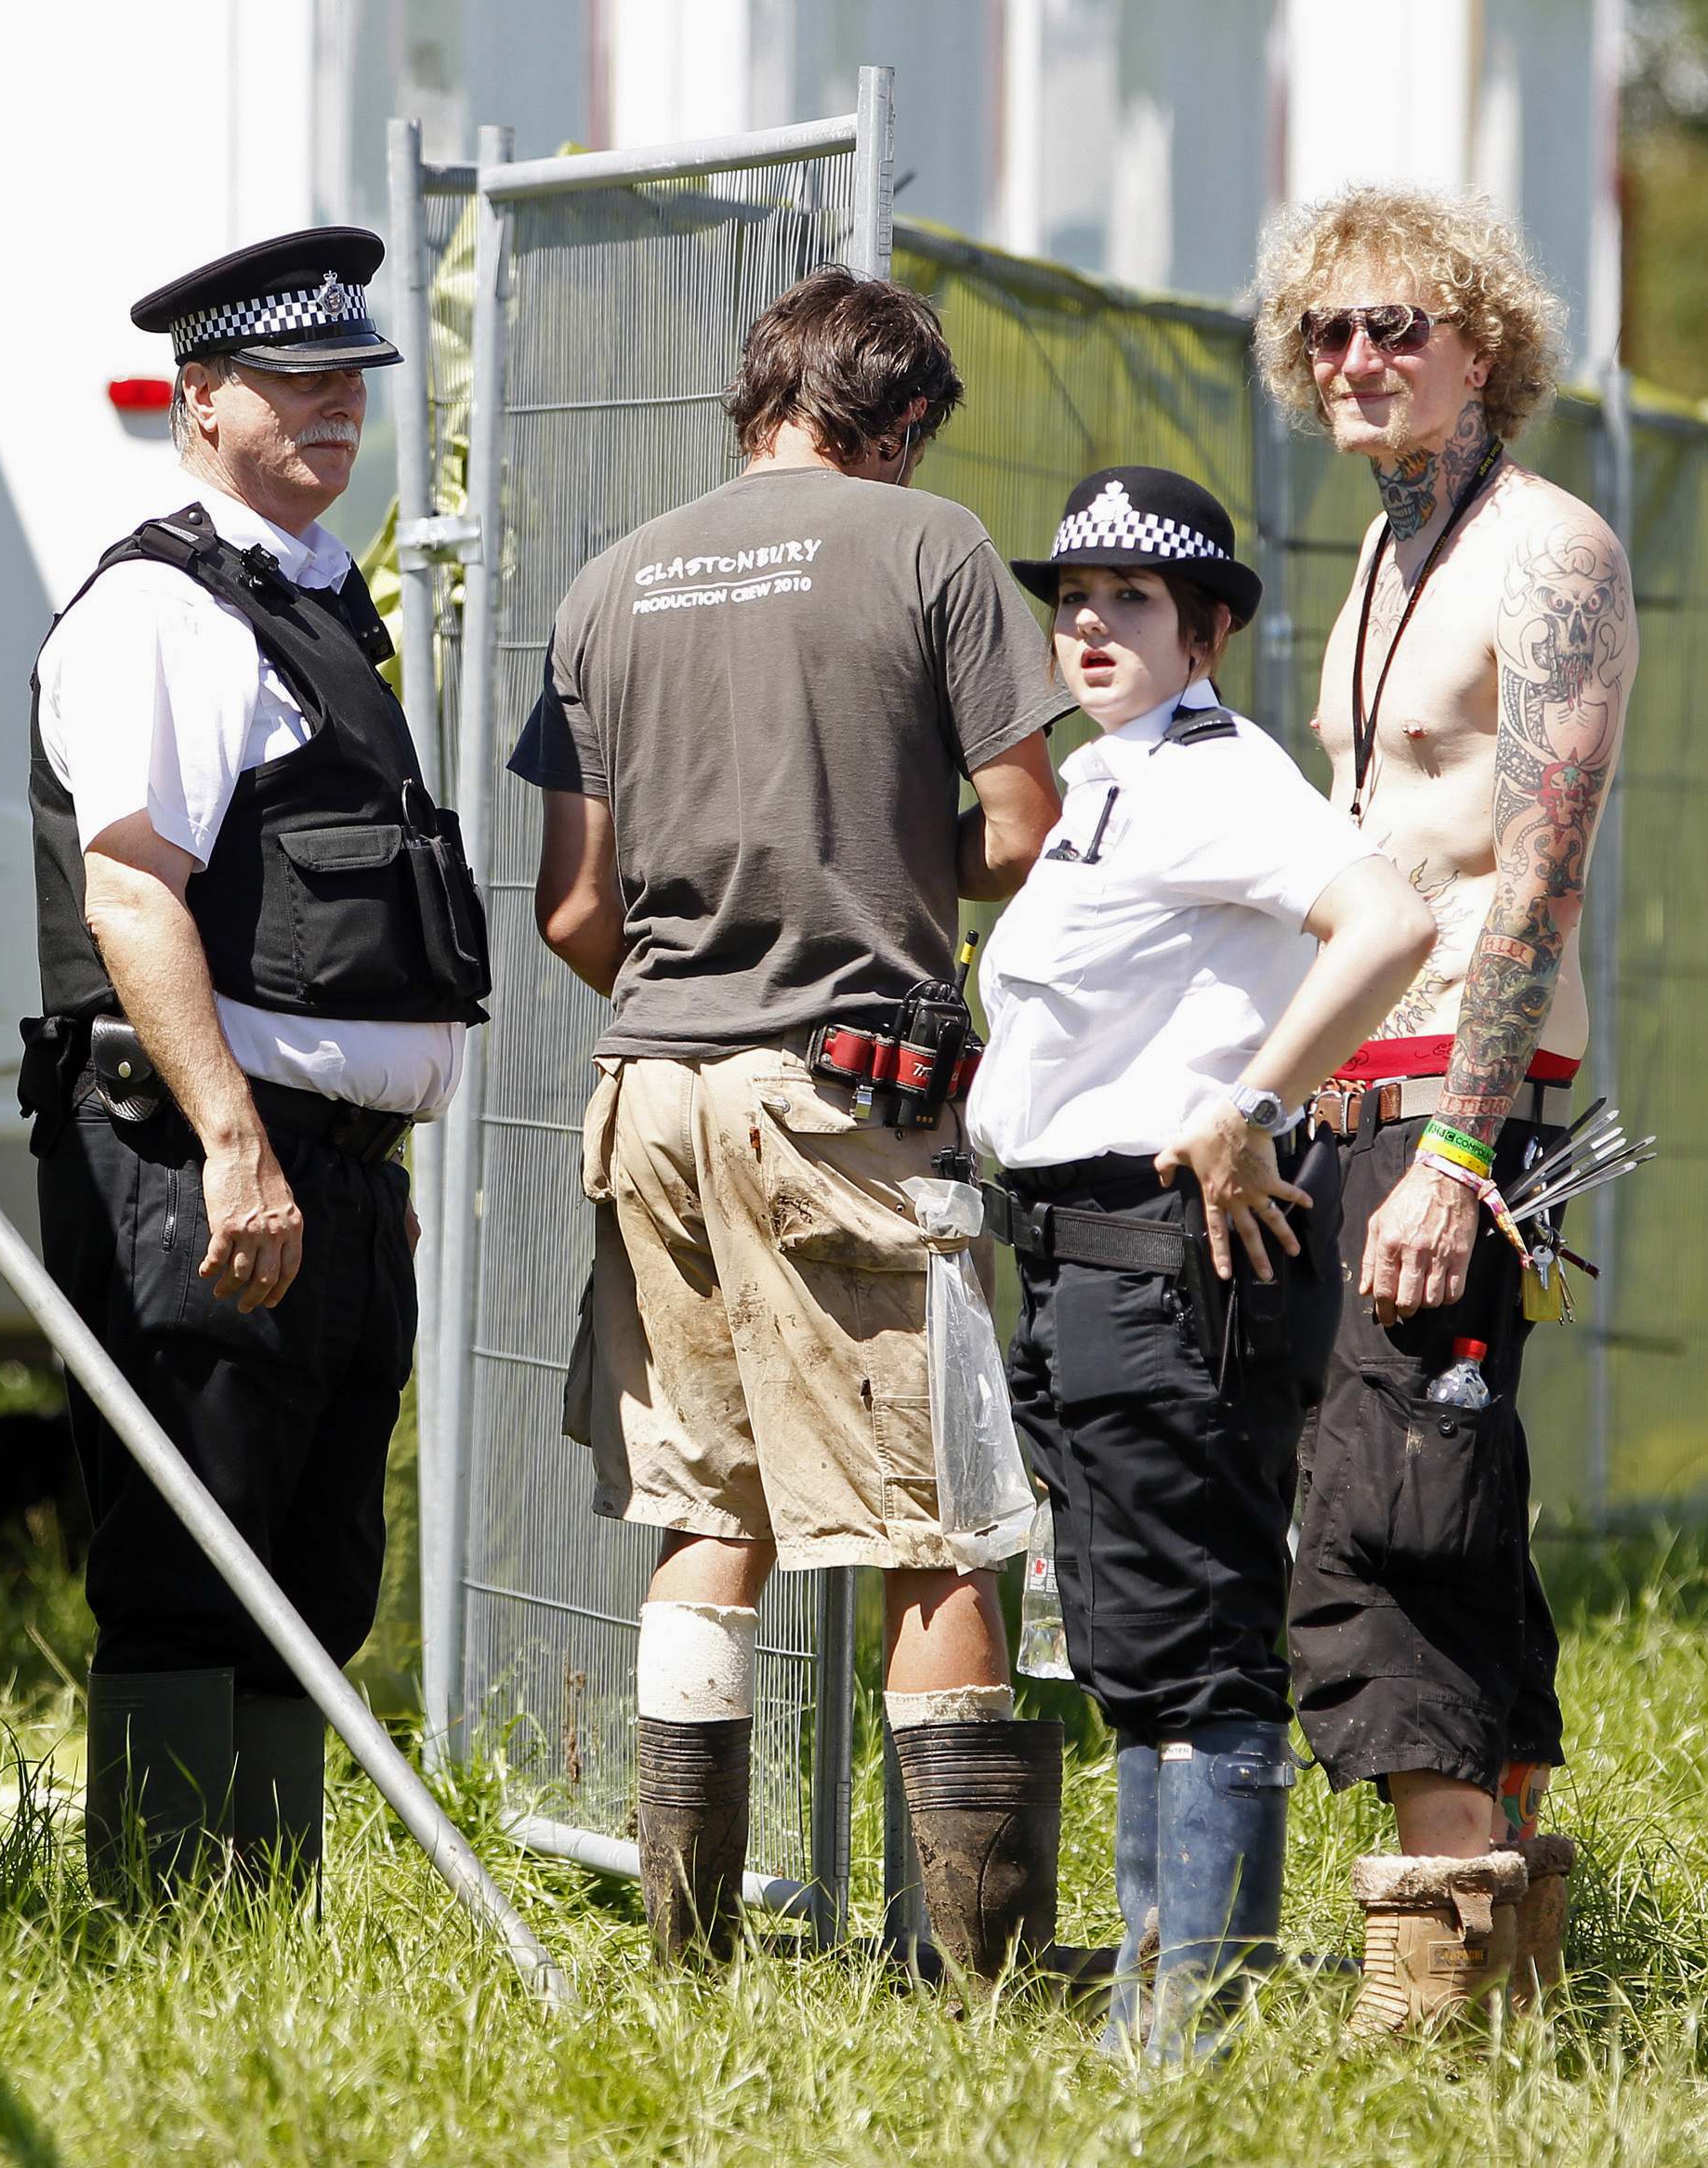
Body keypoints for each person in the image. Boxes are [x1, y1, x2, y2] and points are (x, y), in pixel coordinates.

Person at [516, 265, 1068, 1971]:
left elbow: (570, 909)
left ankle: (685, 1951)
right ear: (895, 421)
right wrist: (889, 868)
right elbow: (1023, 829)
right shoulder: (935, 550)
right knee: (941, 1520)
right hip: (846, 1098)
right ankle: (974, 1974)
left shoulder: (608, 585)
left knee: (712, 1516)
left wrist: (705, 958)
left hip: (654, 1088)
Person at [20, 227, 490, 1899]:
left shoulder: (309, 600)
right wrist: (236, 1138)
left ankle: (267, 1926)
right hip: (199, 1161)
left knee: (315, 1571)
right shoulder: (159, 608)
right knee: (189, 1562)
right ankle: (164, 1930)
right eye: (295, 387)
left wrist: (363, 1164)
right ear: (199, 399)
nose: (336, 417)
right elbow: (132, 885)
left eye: (352, 385)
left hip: (328, 1174)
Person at [972, 466, 1435, 2057]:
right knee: (1133, 1643)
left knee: (1201, 1645)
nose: (1089, 623)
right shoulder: (1115, 776)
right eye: (1074, 598)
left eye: (1133, 601)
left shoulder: (1217, 774)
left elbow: (1385, 923)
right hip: (1081, 1268)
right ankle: (1151, 2019)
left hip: (1165, 1261)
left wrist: (1255, 1102)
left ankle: (1197, 2032)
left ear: (1211, 629)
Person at [1253, 185, 1638, 2025]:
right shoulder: (1386, 560)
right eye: (1328, 333)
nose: (1357, 360)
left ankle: (1430, 1998)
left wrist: (1464, 1150)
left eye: (1396, 326)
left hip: (1459, 1108)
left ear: (1484, 342)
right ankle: (1513, 1975)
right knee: (1446, 1496)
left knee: (1383, 1515)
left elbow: (1538, 864)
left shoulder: (1543, 551)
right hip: (1372, 1096)